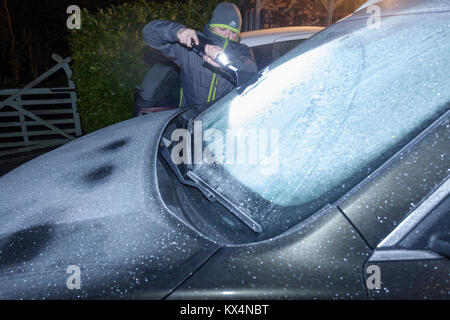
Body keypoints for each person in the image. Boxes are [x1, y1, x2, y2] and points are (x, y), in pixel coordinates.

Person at [142, 2, 257, 108]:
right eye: (222, 29)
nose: (227, 35)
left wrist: (227, 63)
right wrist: (176, 31)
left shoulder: (242, 50)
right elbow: (149, 33)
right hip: (191, 119)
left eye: (233, 32)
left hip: (220, 121)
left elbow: (250, 70)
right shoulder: (193, 43)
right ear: (212, 26)